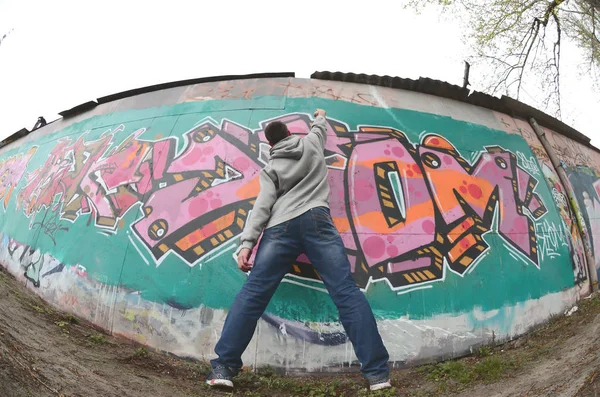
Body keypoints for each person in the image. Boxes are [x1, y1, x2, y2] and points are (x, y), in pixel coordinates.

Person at [206, 109, 391, 391]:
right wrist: (320, 115)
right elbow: (319, 128)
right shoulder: (311, 144)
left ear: (271, 145)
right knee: (345, 292)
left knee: (253, 293)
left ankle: (223, 367)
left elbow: (262, 206)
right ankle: (377, 374)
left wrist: (247, 244)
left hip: (280, 226)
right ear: (291, 134)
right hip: (318, 220)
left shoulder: (271, 169)